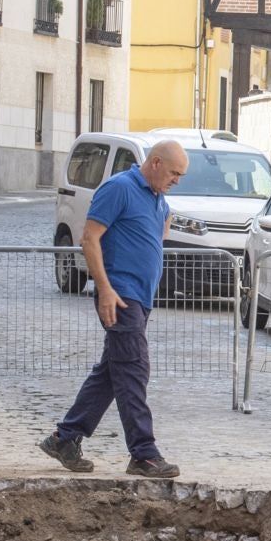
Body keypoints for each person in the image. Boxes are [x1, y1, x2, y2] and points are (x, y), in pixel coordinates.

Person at [40, 140, 187, 478]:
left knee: (111, 372)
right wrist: (104, 288)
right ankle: (143, 453)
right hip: (120, 296)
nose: (177, 180)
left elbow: (152, 235)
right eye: (174, 173)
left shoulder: (156, 196)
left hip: (140, 297)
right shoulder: (119, 188)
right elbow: (89, 239)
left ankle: (64, 438)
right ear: (154, 163)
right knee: (134, 369)